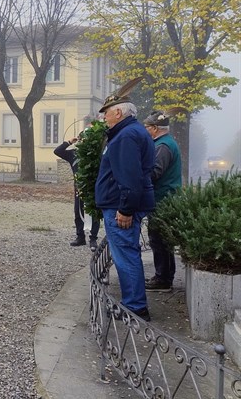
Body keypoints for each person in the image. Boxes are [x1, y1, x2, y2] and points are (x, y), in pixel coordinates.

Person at [95, 94, 155, 321]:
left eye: (106, 113)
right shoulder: (133, 132)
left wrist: (126, 209)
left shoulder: (126, 136)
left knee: (126, 255)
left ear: (118, 112)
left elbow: (129, 178)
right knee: (126, 253)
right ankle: (134, 302)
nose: (104, 117)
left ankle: (135, 307)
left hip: (120, 206)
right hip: (121, 203)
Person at [143, 111, 182, 291]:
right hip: (166, 197)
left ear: (155, 128)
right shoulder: (165, 143)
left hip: (162, 199)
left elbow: (154, 172)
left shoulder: (162, 146)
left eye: (147, 127)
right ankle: (163, 276)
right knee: (162, 240)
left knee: (159, 240)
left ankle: (163, 279)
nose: (145, 130)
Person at [54, 135, 101, 249]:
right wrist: (69, 142)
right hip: (79, 188)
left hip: (93, 187)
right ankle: (80, 237)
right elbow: (58, 151)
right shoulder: (74, 154)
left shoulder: (95, 153)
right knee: (78, 212)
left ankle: (93, 238)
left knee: (94, 213)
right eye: (82, 140)